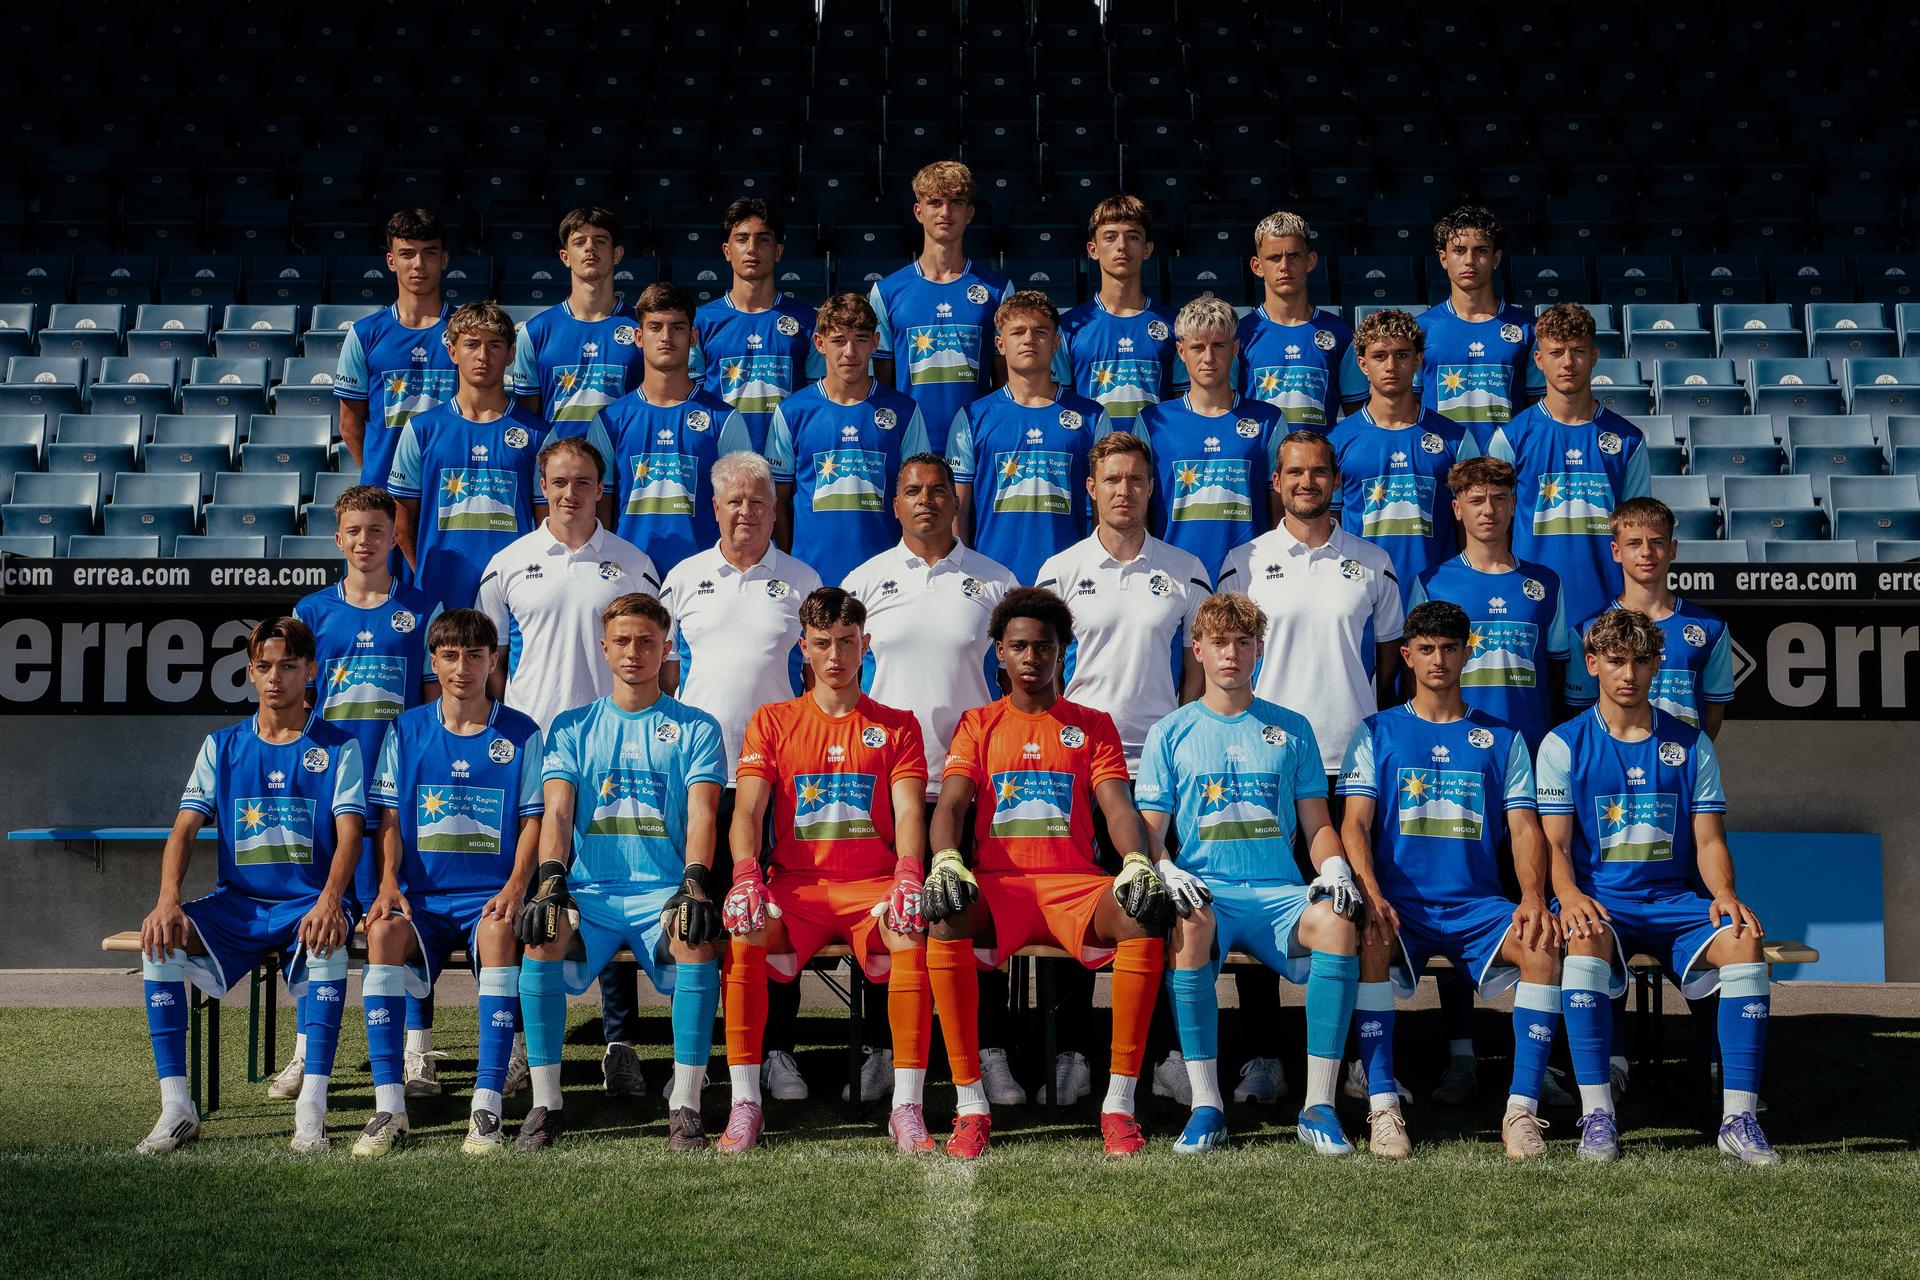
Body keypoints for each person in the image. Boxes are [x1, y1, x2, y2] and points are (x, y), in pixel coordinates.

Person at [922, 587, 1174, 1159]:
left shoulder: (1092, 724)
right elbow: (952, 805)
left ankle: (1119, 1107)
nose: (1031, 658)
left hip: (1074, 888)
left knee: (1142, 915)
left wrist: (1135, 860)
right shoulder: (978, 723)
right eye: (1019, 647)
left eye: (1043, 646)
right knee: (945, 915)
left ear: (1063, 652)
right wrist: (946, 859)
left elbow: (1117, 807)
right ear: (999, 652)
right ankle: (970, 1106)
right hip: (999, 887)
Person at [1539, 608, 1778, 1164]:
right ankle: (1598, 1114)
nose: (1629, 674)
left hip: (1675, 903)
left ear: (1657, 665)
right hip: (1601, 902)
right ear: (1591, 664)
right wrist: (1569, 897)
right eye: (1616, 661)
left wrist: (1725, 895)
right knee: (1583, 940)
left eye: (1642, 661)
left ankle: (1738, 1119)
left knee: (1744, 941)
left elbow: (1709, 841)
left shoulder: (1691, 745)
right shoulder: (1562, 744)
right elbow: (1554, 845)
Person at [1337, 601, 1564, 1161]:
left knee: (1542, 943)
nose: (1438, 659)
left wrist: (1533, 897)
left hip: (1478, 906)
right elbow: (1355, 824)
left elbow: (1525, 829)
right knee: (1368, 937)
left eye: (1449, 648)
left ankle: (1521, 1111)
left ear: (1468, 652)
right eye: (1427, 649)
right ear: (1407, 655)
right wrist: (1370, 893)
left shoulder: (1504, 738)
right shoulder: (1376, 731)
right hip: (1402, 905)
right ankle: (1383, 1106)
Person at [1138, 591, 1360, 1155]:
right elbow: (1149, 829)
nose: (1231, 654)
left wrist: (1335, 866)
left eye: (1243, 642)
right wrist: (1163, 867)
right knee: (1188, 921)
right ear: (1197, 649)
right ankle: (1206, 1106)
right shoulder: (1171, 731)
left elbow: (1317, 823)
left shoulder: (1292, 728)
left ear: (1260, 649)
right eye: (1219, 642)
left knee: (1338, 922)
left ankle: (1319, 1106)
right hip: (1208, 892)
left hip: (1281, 894)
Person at [134, 617, 364, 1154]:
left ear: (311, 671)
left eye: (288, 666)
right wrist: (167, 900)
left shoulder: (340, 746)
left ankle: (311, 1107)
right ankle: (176, 1107)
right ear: (251, 673)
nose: (275, 678)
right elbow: (184, 828)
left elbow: (351, 834)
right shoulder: (222, 746)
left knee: (327, 939)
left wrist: (331, 900)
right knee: (160, 939)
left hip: (309, 901)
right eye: (264, 667)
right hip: (240, 903)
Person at [718, 588, 934, 1153]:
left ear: (866, 644)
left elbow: (910, 811)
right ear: (803, 648)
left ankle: (907, 1107)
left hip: (873, 888)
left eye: (846, 641)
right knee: (744, 930)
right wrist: (745, 874)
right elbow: (747, 811)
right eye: (822, 643)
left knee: (911, 931)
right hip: (795, 889)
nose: (835, 656)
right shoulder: (772, 721)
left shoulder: (897, 725)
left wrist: (910, 873)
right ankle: (745, 1103)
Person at [514, 592, 727, 1151]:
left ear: (666, 648)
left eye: (647, 642)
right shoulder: (572, 726)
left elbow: (703, 813)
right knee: (542, 936)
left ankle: (686, 1104)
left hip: (662, 892)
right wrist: (552, 879)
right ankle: (546, 1104)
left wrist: (695, 881)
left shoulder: (697, 727)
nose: (634, 652)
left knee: (696, 941)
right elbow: (558, 813)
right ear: (604, 649)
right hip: (591, 894)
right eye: (623, 641)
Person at [1033, 431, 1207, 1104]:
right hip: (1079, 769)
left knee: (1158, 909)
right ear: (1091, 488)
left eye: (1135, 479)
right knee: (1080, 905)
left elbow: (1194, 670)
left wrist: (1179, 739)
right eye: (1111, 479)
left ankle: (1162, 1055)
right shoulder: (1060, 569)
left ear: (1151, 487)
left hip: (1159, 771)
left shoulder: (1184, 568)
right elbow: (1042, 673)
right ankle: (1074, 1051)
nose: (1124, 491)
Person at [842, 453, 1021, 1103]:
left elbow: (1017, 681)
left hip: (970, 781)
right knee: (889, 915)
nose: (926, 500)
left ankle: (989, 1050)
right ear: (895, 505)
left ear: (956, 500)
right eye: (913, 491)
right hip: (887, 785)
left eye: (938, 490)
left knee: (975, 916)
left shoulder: (996, 581)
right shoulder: (864, 581)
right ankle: (885, 1051)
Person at [659, 450, 823, 1099]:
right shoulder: (684, 579)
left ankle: (775, 1050)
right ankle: (698, 1057)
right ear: (715, 507)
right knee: (702, 918)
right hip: (702, 782)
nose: (747, 512)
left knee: (770, 916)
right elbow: (668, 680)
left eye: (759, 501)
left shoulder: (802, 580)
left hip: (778, 782)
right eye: (735, 501)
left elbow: (816, 682)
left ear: (775, 509)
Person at [352, 609, 544, 1157]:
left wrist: (515, 888)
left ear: (493, 661)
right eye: (451, 656)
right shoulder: (405, 729)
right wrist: (388, 883)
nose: (463, 667)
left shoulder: (522, 732)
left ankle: (487, 1105)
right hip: (421, 899)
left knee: (500, 932)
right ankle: (389, 1107)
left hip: (488, 896)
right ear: (433, 662)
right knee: (382, 933)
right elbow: (389, 819)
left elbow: (533, 820)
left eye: (475, 655)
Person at [280, 486, 441, 1101]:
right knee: (317, 913)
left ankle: (418, 1049)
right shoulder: (311, 611)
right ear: (338, 538)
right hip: (331, 789)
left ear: (394, 535)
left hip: (401, 792)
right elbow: (297, 704)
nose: (365, 541)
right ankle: (305, 1049)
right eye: (354, 530)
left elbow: (432, 708)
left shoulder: (423, 609)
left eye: (377, 529)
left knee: (401, 916)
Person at [1218, 431, 1405, 791]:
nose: (1307, 482)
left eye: (1319, 471)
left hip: (1352, 753)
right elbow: (1225, 661)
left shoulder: (1375, 562)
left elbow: (1389, 659)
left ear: (1337, 481)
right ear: (1276, 481)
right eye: (1295, 472)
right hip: (1267, 751)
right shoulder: (1243, 563)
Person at [475, 435, 663, 734]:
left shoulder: (636, 565)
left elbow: (656, 658)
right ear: (543, 487)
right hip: (531, 733)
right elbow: (490, 662)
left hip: (609, 734)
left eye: (583, 482)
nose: (570, 493)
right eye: (559, 482)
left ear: (600, 489)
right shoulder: (506, 564)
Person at [387, 301, 568, 609]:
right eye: (471, 344)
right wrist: (428, 576)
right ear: (453, 352)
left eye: (494, 345)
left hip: (517, 593)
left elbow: (548, 524)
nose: (483, 355)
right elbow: (402, 522)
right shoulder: (420, 429)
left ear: (510, 355)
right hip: (441, 593)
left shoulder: (539, 434)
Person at [1485, 302, 1650, 630]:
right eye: (1556, 352)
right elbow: (1492, 532)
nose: (1568, 363)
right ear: (1538, 360)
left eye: (1578, 351)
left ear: (1594, 356)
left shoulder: (1628, 440)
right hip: (1530, 606)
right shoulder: (1510, 439)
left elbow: (1637, 532)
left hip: (1609, 607)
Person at [584, 280, 754, 574]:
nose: (666, 337)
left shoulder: (725, 419)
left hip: (704, 576)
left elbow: (741, 509)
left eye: (677, 327)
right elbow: (600, 513)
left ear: (693, 337)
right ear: (639, 336)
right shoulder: (609, 421)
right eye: (655, 327)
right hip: (629, 574)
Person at [1409, 456, 1571, 753]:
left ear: (1513, 505)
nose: (1488, 510)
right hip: (1456, 747)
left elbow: (1557, 671)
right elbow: (1417, 674)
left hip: (1529, 742)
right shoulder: (1432, 583)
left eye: (1499, 498)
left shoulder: (1547, 583)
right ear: (1457, 509)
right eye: (1476, 500)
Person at [766, 292, 927, 586]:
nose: (850, 351)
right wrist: (789, 565)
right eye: (839, 340)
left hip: (887, 576)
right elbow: (777, 502)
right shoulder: (792, 412)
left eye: (860, 339)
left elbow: (918, 499)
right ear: (819, 343)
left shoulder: (903, 411)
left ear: (875, 343)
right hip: (811, 575)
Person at [949, 290, 1110, 584]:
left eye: (1040, 331)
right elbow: (957, 514)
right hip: (992, 580)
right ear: (1000, 344)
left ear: (1056, 343)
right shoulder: (972, 417)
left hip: (1070, 580)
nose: (1029, 339)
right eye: (1018, 332)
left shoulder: (1092, 417)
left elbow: (1104, 511)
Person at [1330, 308, 1482, 605]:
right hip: (1360, 593)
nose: (1391, 366)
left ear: (1418, 360)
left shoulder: (1456, 439)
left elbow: (1471, 527)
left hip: (1437, 594)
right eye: (1379, 356)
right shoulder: (1337, 442)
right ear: (1362, 364)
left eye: (1401, 355)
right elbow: (1328, 526)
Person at [1138, 295, 1287, 582]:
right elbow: (1141, 512)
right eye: (1198, 347)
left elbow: (1279, 514)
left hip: (1249, 576)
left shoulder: (1268, 420)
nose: (1208, 357)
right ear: (1181, 351)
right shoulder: (1152, 421)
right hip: (1172, 577)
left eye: (1218, 345)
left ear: (1235, 348)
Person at [868, 160, 1013, 454]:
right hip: (912, 444)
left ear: (969, 213)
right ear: (918, 212)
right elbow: (883, 387)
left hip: (978, 442)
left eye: (956, 202)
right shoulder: (886, 292)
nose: (945, 212)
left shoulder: (998, 290)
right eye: (935, 202)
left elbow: (1005, 384)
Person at [1564, 497, 1732, 738]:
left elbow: (1713, 713)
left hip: (1682, 756)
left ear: (1673, 549)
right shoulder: (1587, 630)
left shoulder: (1711, 628)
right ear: (1616, 551)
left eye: (1657, 542)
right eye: (1634, 543)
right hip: (1612, 759)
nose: (1646, 552)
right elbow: (1581, 713)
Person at [334, 208, 458, 489]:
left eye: (429, 253)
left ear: (444, 259)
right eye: (407, 254)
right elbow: (349, 425)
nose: (419, 264)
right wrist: (378, 475)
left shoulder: (467, 331)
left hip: (447, 486)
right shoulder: (364, 334)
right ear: (391, 261)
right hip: (384, 491)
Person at [689, 197, 824, 452]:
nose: (752, 248)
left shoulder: (808, 322)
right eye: (742, 239)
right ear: (727, 251)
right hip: (723, 462)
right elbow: (692, 404)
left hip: (786, 461)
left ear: (778, 251)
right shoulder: (700, 322)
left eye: (763, 239)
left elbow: (817, 405)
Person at [1052, 194, 1184, 426]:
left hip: (1155, 448)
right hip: (1094, 449)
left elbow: (1185, 410)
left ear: (1147, 249)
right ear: (1093, 249)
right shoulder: (1068, 328)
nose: (1122, 246)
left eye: (1132, 237)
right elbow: (1060, 410)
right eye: (1110, 237)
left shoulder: (1176, 325)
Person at [511, 206, 645, 425]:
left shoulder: (643, 328)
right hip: (557, 448)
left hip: (622, 448)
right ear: (565, 257)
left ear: (617, 254)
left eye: (600, 241)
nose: (590, 247)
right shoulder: (535, 332)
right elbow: (529, 423)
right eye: (580, 242)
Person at [1416, 205, 1535, 434]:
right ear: (1443, 258)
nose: (1469, 260)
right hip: (1442, 455)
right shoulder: (1420, 329)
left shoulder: (1529, 329)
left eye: (1480, 250)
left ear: (1496, 258)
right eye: (1459, 250)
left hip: (1507, 455)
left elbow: (1538, 409)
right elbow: (1408, 409)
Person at [1236, 210, 1355, 430]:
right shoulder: (1241, 334)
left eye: (1294, 256)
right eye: (1274, 257)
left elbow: (1356, 417)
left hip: (1321, 452)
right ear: (1257, 266)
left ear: (1310, 261)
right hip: (1262, 453)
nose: (1284, 265)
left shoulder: (1340, 333)